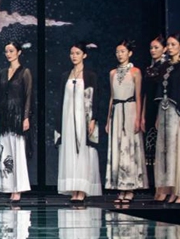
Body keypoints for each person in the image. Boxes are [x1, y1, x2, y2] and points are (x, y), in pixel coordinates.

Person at [55, 42, 102, 202]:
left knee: (83, 152)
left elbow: (95, 99)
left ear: (84, 55)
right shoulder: (65, 76)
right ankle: (73, 188)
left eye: (77, 53)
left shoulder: (90, 76)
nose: (74, 56)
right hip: (68, 119)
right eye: (72, 53)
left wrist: (93, 119)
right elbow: (61, 100)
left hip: (83, 119)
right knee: (69, 152)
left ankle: (82, 189)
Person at [105, 40, 147, 203]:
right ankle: (119, 187)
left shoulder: (135, 72)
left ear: (129, 53)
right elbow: (111, 97)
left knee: (129, 147)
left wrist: (138, 117)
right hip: (117, 111)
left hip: (129, 109)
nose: (120, 54)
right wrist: (108, 119)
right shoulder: (112, 73)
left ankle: (129, 187)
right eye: (117, 52)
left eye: (123, 51)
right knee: (117, 147)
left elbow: (138, 96)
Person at [154, 33, 180, 204]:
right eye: (168, 45)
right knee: (164, 151)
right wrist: (157, 116)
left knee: (178, 150)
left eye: (173, 44)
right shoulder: (164, 66)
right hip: (164, 111)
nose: (169, 47)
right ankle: (169, 188)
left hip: (177, 112)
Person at [0, 41, 32, 202]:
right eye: (6, 51)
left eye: (11, 51)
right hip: (4, 117)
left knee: (18, 152)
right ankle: (8, 186)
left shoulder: (25, 72)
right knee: (6, 153)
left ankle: (19, 188)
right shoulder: (3, 72)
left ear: (18, 52)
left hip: (17, 116)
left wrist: (26, 116)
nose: (8, 54)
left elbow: (29, 95)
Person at [141, 36, 166, 199]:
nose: (153, 50)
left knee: (161, 151)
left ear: (164, 49)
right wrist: (142, 115)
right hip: (148, 109)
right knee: (150, 149)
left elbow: (163, 93)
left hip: (160, 109)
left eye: (156, 47)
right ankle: (154, 186)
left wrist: (159, 115)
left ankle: (162, 188)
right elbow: (145, 94)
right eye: (151, 47)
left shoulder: (166, 67)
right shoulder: (150, 68)